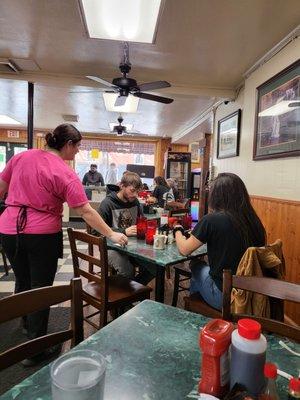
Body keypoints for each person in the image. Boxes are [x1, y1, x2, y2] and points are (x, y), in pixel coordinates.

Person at [0, 124, 127, 364]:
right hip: (41, 234)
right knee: (40, 288)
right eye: (77, 146)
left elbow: (1, 189)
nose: (77, 152)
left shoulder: (21, 157)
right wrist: (111, 234)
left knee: (23, 279)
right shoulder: (64, 171)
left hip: (8, 229)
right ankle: (35, 350)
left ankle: (27, 327)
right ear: (68, 144)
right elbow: (86, 211)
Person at [174, 173, 266, 310]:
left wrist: (177, 230)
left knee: (196, 265)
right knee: (206, 268)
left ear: (215, 196)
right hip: (253, 294)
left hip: (225, 296)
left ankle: (194, 312)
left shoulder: (212, 220)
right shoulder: (254, 220)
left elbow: (184, 250)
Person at [96, 171, 155, 285]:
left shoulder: (135, 202)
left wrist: (144, 227)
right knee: (128, 270)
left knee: (154, 267)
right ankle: (128, 296)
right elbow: (96, 232)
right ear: (122, 186)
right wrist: (123, 232)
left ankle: (133, 290)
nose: (135, 195)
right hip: (110, 247)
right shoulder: (107, 204)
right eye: (132, 191)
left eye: (138, 192)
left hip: (133, 245)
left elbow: (142, 221)